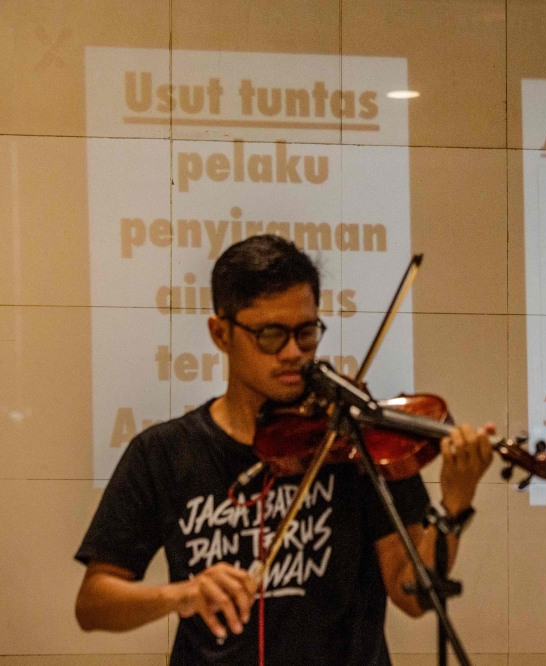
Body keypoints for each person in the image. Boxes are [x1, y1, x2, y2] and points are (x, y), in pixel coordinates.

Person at [74, 235, 494, 665]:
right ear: (221, 333)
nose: (294, 353)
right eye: (271, 335)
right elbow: (92, 603)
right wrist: (178, 595)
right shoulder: (164, 452)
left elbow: (413, 595)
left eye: (307, 333)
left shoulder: (356, 440)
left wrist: (454, 505)